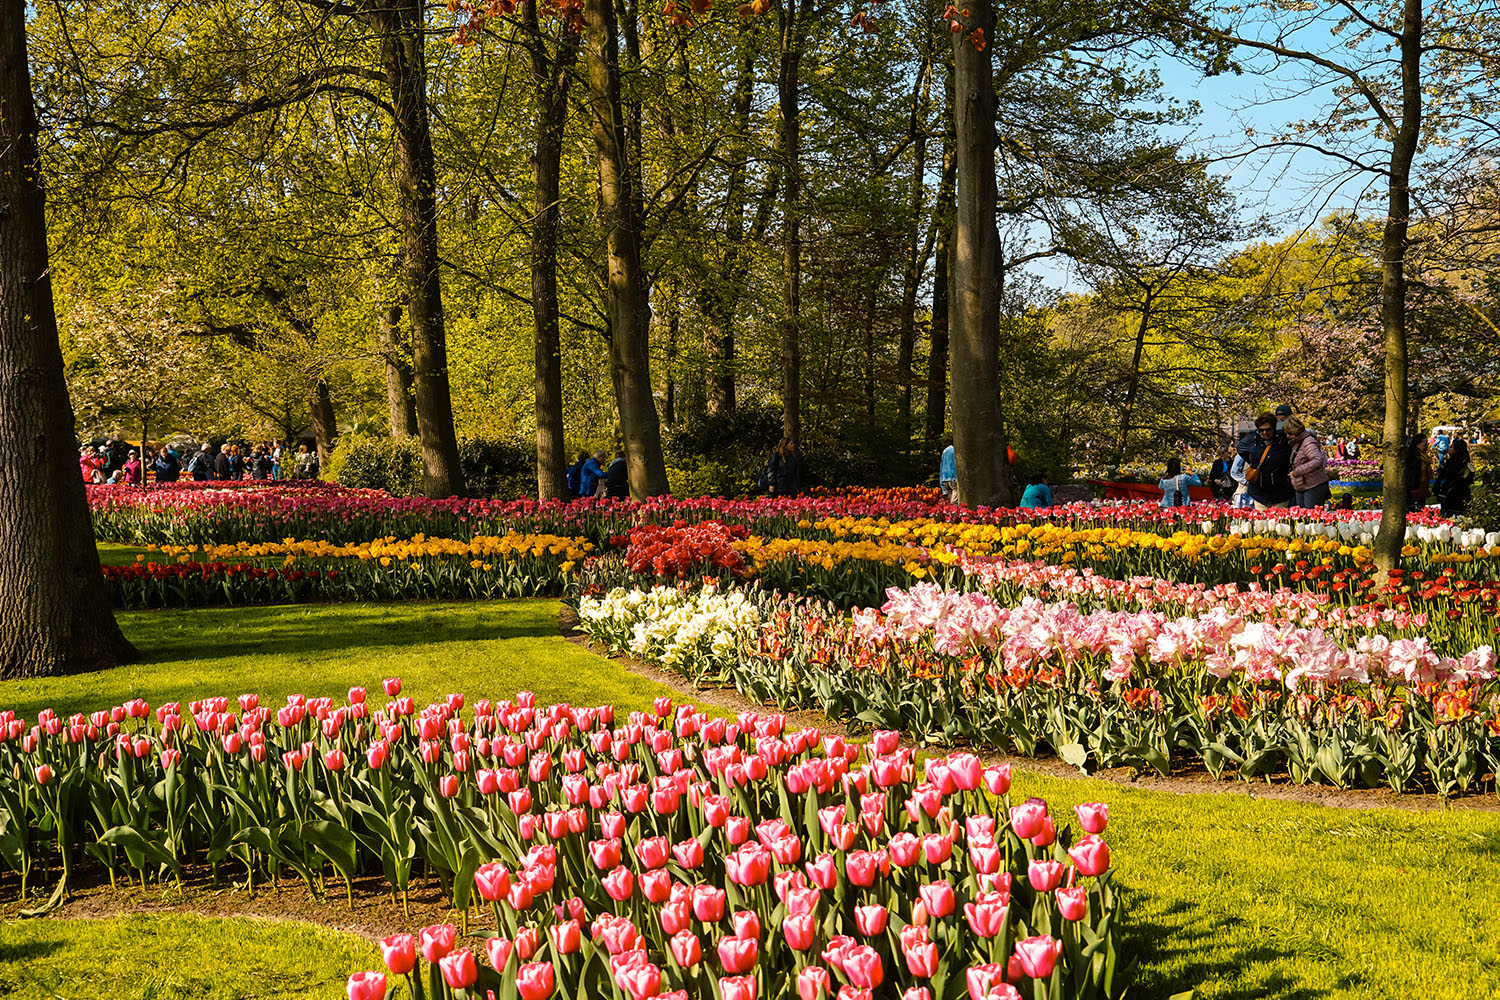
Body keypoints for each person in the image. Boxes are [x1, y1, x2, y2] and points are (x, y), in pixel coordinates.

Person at [1237, 411, 1293, 509]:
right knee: (1261, 522)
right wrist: (1252, 462)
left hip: (1280, 491)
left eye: (1268, 429)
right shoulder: (1253, 440)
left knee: (1280, 523)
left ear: (1274, 428)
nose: (1265, 432)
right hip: (1260, 493)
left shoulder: (1283, 441)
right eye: (1261, 430)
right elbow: (1240, 448)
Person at [1285, 416, 1331, 509]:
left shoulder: (1308, 442)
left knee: (1311, 518)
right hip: (1302, 485)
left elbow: (1317, 460)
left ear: (1296, 431)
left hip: (1314, 485)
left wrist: (1297, 471)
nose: (1287, 436)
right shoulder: (1297, 442)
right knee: (1302, 517)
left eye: (1289, 433)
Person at [1434, 438, 1474, 516]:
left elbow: (1449, 478)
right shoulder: (1464, 462)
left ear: (1457, 450)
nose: (1448, 448)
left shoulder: (1454, 463)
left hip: (1453, 495)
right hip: (1462, 494)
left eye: (1451, 447)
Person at [1405, 436, 1432, 507]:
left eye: (1427, 444)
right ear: (1416, 445)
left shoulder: (1424, 457)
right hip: (1413, 491)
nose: (1426, 446)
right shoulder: (1413, 458)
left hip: (1422, 490)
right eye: (1424, 444)